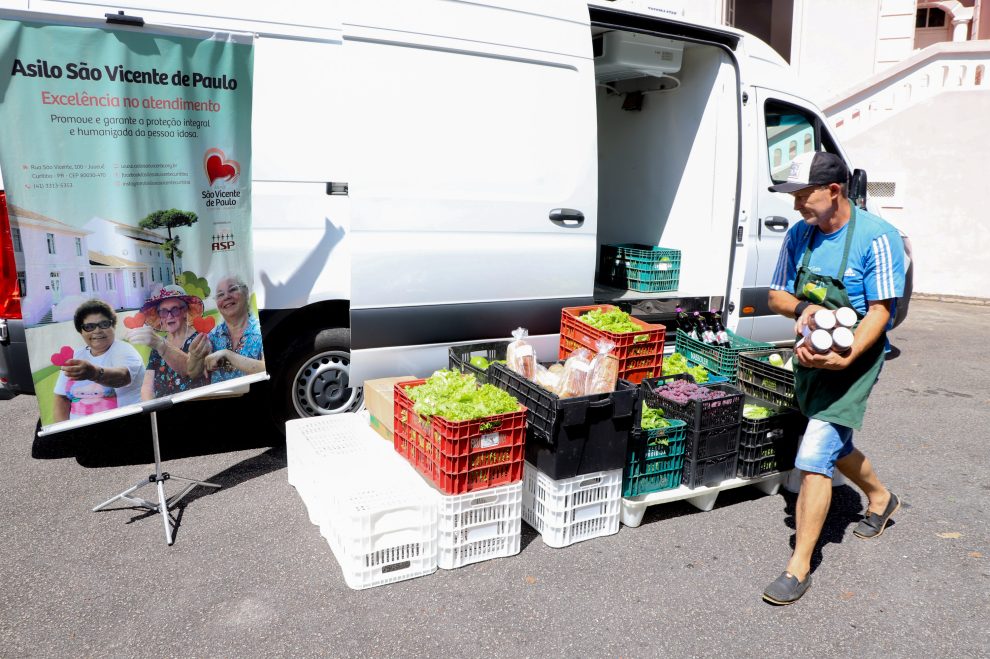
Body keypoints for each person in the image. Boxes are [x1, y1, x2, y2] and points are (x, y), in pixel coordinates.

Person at [762, 151, 906, 605]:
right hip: (812, 357)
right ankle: (881, 499)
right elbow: (776, 295)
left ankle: (798, 566)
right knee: (834, 441)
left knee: (814, 456)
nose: (796, 205)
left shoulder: (876, 237)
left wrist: (847, 357)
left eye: (802, 195)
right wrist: (806, 310)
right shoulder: (800, 236)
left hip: (856, 360)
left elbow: (883, 310)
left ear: (833, 191)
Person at [52, 299, 145, 422]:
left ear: (113, 326)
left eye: (104, 324)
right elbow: (61, 398)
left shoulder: (124, 350)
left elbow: (123, 376)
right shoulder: (76, 355)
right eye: (89, 327)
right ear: (81, 331)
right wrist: (62, 432)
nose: (97, 330)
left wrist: (93, 373)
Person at [127, 285, 210, 400]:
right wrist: (151, 409)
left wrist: (160, 344)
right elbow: (147, 387)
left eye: (174, 310)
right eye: (164, 312)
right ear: (159, 316)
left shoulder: (199, 339)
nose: (169, 316)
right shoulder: (157, 347)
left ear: (185, 311)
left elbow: (190, 370)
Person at [188, 275, 265, 383]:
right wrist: (195, 356)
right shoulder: (213, 335)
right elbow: (193, 373)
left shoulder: (260, 329)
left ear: (246, 292)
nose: (226, 297)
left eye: (233, 289)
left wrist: (228, 355)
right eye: (220, 295)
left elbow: (266, 367)